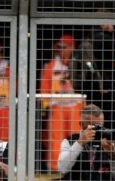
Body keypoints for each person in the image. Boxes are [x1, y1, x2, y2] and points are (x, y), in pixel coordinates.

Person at [74, 24, 115, 131]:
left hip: (92, 90)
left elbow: (106, 56)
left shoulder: (89, 38)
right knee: (111, 127)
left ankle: (95, 147)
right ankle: (111, 147)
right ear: (104, 23)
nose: (113, 25)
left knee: (94, 126)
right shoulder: (105, 39)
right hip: (108, 92)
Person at [53, 104, 115, 181]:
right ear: (81, 124)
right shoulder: (69, 141)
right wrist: (79, 143)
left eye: (100, 126)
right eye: (93, 126)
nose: (97, 130)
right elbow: (62, 169)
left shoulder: (109, 143)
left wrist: (113, 156)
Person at [40, 35, 82, 172]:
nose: (60, 50)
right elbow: (44, 87)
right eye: (58, 47)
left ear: (72, 47)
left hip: (76, 106)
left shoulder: (80, 63)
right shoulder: (50, 65)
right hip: (56, 106)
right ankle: (54, 168)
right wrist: (45, 108)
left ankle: (76, 168)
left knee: (76, 137)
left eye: (63, 47)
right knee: (55, 138)